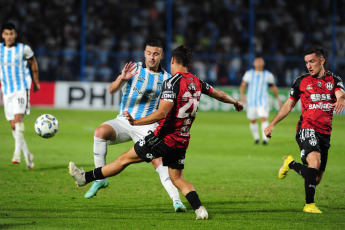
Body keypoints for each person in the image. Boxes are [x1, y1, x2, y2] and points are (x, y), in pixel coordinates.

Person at [69, 45, 243, 220]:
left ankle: (85, 178)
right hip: (182, 140)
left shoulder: (171, 82)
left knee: (124, 159)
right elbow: (219, 95)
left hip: (163, 138)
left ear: (172, 60)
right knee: (177, 178)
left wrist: (136, 122)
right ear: (189, 64)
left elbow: (161, 113)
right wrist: (235, 101)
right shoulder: (196, 82)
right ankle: (200, 209)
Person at [85, 39, 186, 212]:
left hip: (146, 125)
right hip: (123, 121)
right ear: (144, 53)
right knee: (100, 132)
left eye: (155, 54)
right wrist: (122, 79)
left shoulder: (166, 79)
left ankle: (177, 201)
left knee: (159, 162)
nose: (151, 57)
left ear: (162, 55)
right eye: (148, 53)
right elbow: (111, 90)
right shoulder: (134, 69)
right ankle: (100, 179)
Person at [264, 45, 345, 213]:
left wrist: (342, 99)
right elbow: (289, 105)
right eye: (306, 62)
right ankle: (309, 205)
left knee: (315, 178)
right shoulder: (301, 81)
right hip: (306, 128)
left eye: (312, 61)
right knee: (314, 162)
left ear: (322, 61)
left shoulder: (334, 80)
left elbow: (340, 94)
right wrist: (272, 123)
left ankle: (290, 163)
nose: (309, 66)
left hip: (325, 133)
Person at [0, 22, 40, 169]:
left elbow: (33, 63)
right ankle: (28, 155)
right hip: (7, 90)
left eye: (11, 33)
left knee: (18, 119)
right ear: (3, 35)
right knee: (13, 126)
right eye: (6, 34)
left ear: (15, 34)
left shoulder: (24, 49)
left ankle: (16, 153)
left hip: (21, 88)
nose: (9, 37)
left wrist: (35, 82)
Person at [240, 56, 281, 145]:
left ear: (263, 63)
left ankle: (265, 139)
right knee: (253, 120)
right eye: (256, 62)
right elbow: (243, 85)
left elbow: (273, 87)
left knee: (263, 118)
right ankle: (256, 138)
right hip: (251, 101)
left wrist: (278, 98)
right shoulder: (249, 74)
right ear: (254, 63)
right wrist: (242, 96)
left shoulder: (268, 75)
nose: (258, 63)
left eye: (260, 62)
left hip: (263, 101)